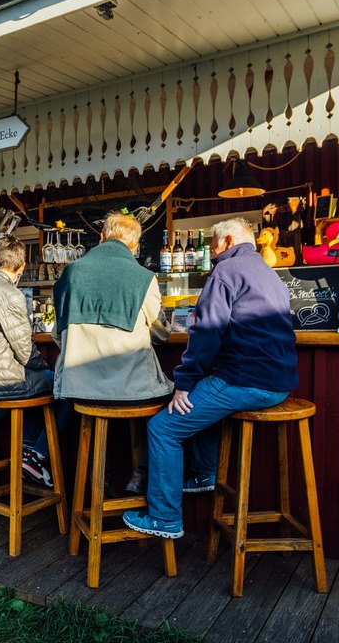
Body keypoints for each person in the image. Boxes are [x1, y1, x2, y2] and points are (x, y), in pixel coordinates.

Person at [123, 218, 298, 539]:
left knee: (163, 427)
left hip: (245, 382)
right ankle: (204, 473)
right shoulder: (269, 274)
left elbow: (205, 332)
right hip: (280, 386)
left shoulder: (226, 271)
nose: (211, 252)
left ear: (228, 240)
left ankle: (164, 518)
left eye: (213, 245)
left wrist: (184, 382)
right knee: (206, 396)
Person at [51, 211, 173, 493]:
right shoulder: (143, 277)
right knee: (173, 401)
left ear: (102, 237)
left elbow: (58, 334)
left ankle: (98, 482)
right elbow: (161, 334)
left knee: (90, 419)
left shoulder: (71, 272)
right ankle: (140, 472)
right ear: (134, 246)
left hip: (79, 389)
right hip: (132, 390)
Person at [0, 235, 70, 487]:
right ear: (20, 267)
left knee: (36, 389)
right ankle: (36, 456)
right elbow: (24, 351)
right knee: (61, 386)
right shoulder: (9, 293)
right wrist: (44, 366)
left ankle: (28, 454)